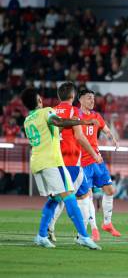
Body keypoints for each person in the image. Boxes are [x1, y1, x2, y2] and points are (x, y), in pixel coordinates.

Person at [20, 87, 100, 250]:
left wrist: (63, 128)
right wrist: (83, 121)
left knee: (55, 199)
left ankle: (41, 236)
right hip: (52, 162)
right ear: (39, 101)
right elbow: (58, 122)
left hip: (37, 163)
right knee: (70, 197)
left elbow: (55, 128)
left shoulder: (28, 120)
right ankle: (84, 237)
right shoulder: (46, 112)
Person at [47, 82, 103, 242]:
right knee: (82, 197)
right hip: (71, 162)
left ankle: (53, 228)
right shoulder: (74, 111)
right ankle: (79, 235)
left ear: (59, 96)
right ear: (73, 96)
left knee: (61, 195)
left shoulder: (51, 111)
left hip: (55, 160)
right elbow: (79, 136)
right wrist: (94, 154)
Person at [78, 89, 122, 240]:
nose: (92, 101)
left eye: (93, 98)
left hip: (97, 160)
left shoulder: (96, 116)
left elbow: (105, 128)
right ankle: (93, 228)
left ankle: (107, 224)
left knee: (110, 190)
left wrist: (113, 138)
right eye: (89, 98)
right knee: (87, 196)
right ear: (80, 99)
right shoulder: (76, 117)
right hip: (82, 162)